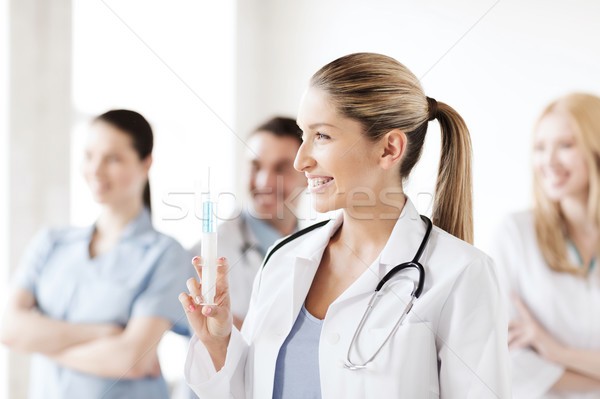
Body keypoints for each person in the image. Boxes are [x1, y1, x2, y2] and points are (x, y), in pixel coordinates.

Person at [179, 53, 511, 398]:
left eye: (321, 136)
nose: (301, 160)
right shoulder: (282, 259)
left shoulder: (461, 274)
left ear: (388, 148)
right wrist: (218, 343)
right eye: (303, 135)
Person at [0, 109, 191, 399]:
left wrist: (39, 341)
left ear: (146, 163)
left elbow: (129, 360)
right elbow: (9, 328)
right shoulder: (51, 242)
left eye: (113, 159)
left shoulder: (165, 254)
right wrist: (103, 334)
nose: (96, 170)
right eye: (89, 156)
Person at [489, 93, 600, 399]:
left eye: (565, 145)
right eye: (540, 148)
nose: (548, 161)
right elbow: (507, 357)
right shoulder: (515, 233)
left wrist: (557, 352)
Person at [190, 117, 306, 329]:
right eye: (255, 166)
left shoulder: (319, 248)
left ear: (308, 174)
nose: (264, 182)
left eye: (281, 168)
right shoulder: (206, 254)